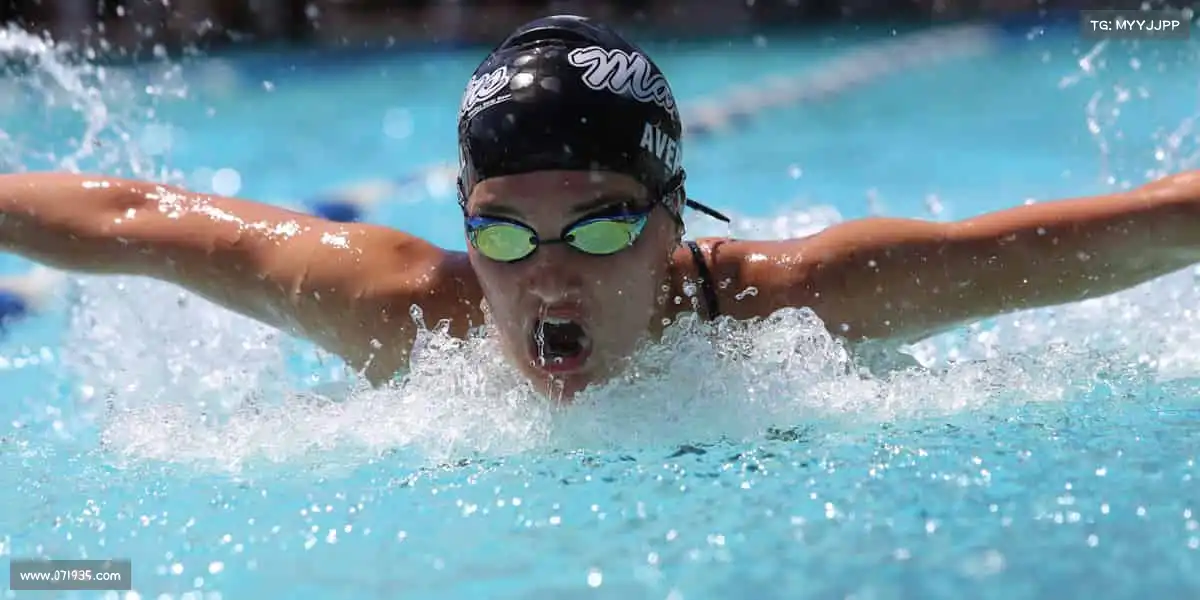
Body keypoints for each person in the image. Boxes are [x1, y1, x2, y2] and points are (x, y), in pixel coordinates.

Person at [1, 14, 1198, 400]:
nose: (549, 276)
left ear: (678, 220)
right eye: (505, 232)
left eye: (606, 222)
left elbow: (1120, 235)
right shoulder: (414, 317)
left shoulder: (796, 310)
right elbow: (131, 220)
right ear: (466, 221)